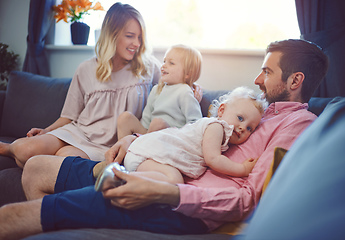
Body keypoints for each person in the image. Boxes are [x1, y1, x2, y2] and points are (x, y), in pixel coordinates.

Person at [0, 39, 329, 239]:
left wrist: (164, 192)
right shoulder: (257, 109)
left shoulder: (297, 126)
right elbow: (192, 134)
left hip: (177, 202)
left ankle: (64, 213)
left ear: (295, 79)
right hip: (161, 165)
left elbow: (247, 200)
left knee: (15, 216)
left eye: (268, 72)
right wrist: (134, 141)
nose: (257, 79)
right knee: (36, 168)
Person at [0, 2, 161, 168]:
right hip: (79, 132)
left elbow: (171, 93)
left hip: (107, 146)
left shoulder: (148, 68)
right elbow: (69, 116)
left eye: (140, 37)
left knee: (61, 160)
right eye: (130, 36)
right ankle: (8, 148)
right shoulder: (86, 69)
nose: (137, 43)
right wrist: (46, 130)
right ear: (112, 34)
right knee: (26, 150)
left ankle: (23, 158)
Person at [113, 87, 266, 185]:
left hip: (151, 158)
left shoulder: (216, 131)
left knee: (173, 180)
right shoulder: (216, 127)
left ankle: (126, 177)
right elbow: (213, 159)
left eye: (249, 128)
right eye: (240, 118)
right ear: (221, 111)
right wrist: (242, 169)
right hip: (147, 156)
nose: (242, 128)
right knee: (174, 181)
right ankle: (121, 178)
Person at [117, 44, 203, 140]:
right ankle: (124, 150)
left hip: (172, 138)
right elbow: (146, 118)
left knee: (158, 123)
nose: (163, 66)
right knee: (125, 117)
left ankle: (140, 147)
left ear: (188, 73)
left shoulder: (185, 91)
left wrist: (180, 135)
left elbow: (196, 123)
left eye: (171, 63)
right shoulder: (156, 89)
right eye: (164, 61)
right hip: (149, 134)